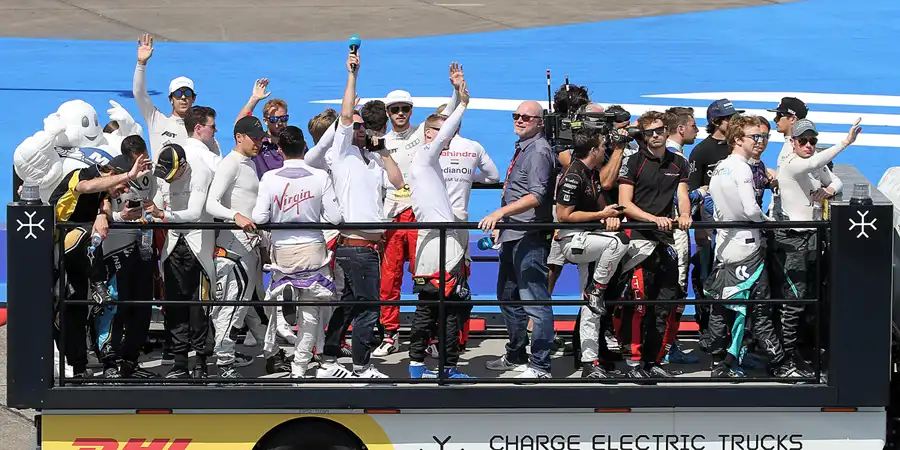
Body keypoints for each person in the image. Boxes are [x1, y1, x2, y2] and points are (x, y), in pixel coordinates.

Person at [375, 65, 464, 357]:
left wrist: (456, 91)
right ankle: (390, 334)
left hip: (417, 217)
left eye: (405, 109)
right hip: (391, 219)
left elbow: (444, 119)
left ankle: (428, 336)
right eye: (395, 109)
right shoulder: (381, 143)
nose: (400, 113)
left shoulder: (421, 137)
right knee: (389, 280)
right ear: (388, 113)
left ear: (411, 112)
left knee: (427, 279)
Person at [325, 49, 404, 378]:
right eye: (355, 126)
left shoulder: (372, 160)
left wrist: (383, 150)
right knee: (368, 307)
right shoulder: (340, 155)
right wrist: (352, 75)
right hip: (357, 246)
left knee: (350, 303)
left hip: (370, 245)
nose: (360, 129)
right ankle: (361, 366)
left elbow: (399, 182)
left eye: (364, 127)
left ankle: (329, 358)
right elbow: (345, 116)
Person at [770, 118, 862, 376]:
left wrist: (829, 190)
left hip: (812, 238)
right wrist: (845, 142)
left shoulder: (812, 164)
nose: (809, 145)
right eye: (803, 141)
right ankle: (784, 359)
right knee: (794, 301)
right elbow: (813, 164)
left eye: (813, 141)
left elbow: (835, 180)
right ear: (792, 142)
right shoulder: (791, 165)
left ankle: (803, 351)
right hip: (793, 241)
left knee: (810, 299)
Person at [252, 125, 342, 379]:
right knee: (310, 312)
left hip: (283, 253)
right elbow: (335, 218)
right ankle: (300, 366)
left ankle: (280, 350)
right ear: (304, 147)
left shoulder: (269, 178)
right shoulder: (320, 177)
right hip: (313, 249)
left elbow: (259, 217)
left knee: (279, 306)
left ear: (280, 150)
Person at [51, 154, 152, 378]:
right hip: (54, 246)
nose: (124, 191)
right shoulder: (84, 174)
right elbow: (86, 187)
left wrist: (107, 215)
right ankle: (98, 283)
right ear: (113, 174)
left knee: (77, 308)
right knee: (58, 307)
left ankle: (78, 368)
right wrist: (128, 175)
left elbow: (105, 210)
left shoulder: (104, 194)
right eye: (124, 185)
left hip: (78, 252)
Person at [479, 100, 558, 379]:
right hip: (514, 233)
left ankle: (540, 365)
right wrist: (505, 224)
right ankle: (516, 354)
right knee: (508, 297)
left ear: (539, 122)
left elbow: (537, 195)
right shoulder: (524, 147)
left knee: (536, 302)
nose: (520, 120)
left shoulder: (538, 151)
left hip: (530, 237)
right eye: (517, 116)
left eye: (527, 117)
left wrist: (500, 213)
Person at [705, 115, 783, 378]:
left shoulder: (719, 168)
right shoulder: (743, 169)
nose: (761, 141)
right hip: (748, 245)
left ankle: (719, 360)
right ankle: (777, 360)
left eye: (763, 137)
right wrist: (768, 222)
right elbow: (751, 209)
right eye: (756, 137)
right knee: (757, 307)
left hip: (724, 244)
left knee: (721, 303)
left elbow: (714, 207)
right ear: (738, 139)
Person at [405, 73, 471, 378]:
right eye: (435, 132)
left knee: (425, 307)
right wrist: (464, 105)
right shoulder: (424, 158)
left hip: (427, 246)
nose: (443, 135)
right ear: (427, 135)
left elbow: (440, 125)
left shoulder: (423, 159)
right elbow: (444, 132)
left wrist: (455, 92)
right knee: (446, 311)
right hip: (443, 248)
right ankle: (447, 367)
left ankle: (417, 365)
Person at [617, 110, 692, 379]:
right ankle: (634, 363)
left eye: (660, 130)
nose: (656, 135)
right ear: (643, 136)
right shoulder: (633, 163)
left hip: (665, 241)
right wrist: (653, 219)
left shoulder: (678, 164)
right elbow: (624, 203)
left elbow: (682, 195)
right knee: (638, 305)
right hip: (638, 241)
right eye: (650, 132)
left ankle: (653, 360)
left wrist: (685, 214)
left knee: (665, 303)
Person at [555, 126, 628, 379]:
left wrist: (609, 215)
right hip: (573, 241)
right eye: (603, 147)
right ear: (594, 150)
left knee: (590, 308)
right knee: (619, 241)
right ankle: (597, 289)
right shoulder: (574, 175)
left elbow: (601, 207)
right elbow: (563, 215)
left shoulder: (592, 173)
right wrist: (601, 216)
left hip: (589, 238)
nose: (606, 150)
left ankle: (590, 361)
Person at [144, 143, 216, 379]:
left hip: (199, 246)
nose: (167, 179)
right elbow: (153, 205)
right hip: (173, 246)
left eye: (170, 174)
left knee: (199, 307)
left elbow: (195, 214)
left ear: (183, 166)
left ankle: (201, 363)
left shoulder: (201, 173)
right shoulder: (164, 176)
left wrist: (162, 214)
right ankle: (179, 362)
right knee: (175, 307)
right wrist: (148, 214)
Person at [205, 116, 270, 379]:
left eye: (260, 137)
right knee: (232, 307)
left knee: (253, 306)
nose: (259, 142)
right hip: (233, 248)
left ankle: (271, 351)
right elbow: (211, 203)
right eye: (254, 137)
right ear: (239, 137)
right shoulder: (230, 164)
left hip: (250, 247)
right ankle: (225, 364)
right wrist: (236, 216)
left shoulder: (249, 163)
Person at [98, 137, 159, 379]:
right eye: (138, 161)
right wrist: (123, 217)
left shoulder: (149, 173)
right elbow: (101, 214)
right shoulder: (110, 175)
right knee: (114, 309)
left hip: (142, 247)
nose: (142, 165)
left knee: (141, 307)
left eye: (144, 159)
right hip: (114, 251)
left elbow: (155, 199)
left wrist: (150, 216)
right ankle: (109, 362)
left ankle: (131, 361)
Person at [687, 99, 744, 352]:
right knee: (709, 282)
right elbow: (691, 192)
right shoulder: (701, 152)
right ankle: (707, 333)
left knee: (736, 284)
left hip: (737, 231)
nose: (735, 122)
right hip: (710, 230)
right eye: (730, 118)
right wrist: (700, 229)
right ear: (715, 122)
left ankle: (735, 338)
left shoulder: (738, 147)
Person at [235, 78, 291, 178]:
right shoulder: (257, 143)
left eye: (283, 118)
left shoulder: (295, 142)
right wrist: (254, 99)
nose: (279, 123)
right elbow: (239, 126)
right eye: (274, 119)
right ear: (265, 120)